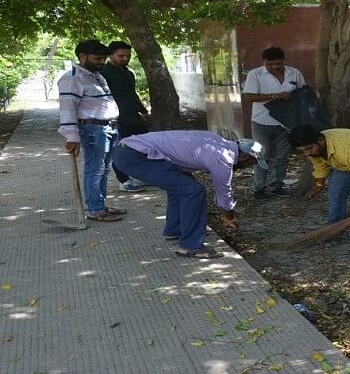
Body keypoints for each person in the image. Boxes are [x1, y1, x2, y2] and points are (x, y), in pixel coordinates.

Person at [112, 131, 268, 259]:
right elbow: (224, 194)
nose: (246, 168)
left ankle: (174, 230)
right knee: (193, 191)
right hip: (136, 156)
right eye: (250, 164)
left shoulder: (215, 140)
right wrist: (229, 218)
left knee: (181, 187)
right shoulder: (223, 158)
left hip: (129, 148)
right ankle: (190, 246)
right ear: (244, 157)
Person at [57, 39, 125, 222]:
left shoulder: (95, 74)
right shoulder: (72, 78)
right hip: (93, 129)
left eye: (103, 58)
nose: (102, 62)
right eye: (97, 58)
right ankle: (94, 209)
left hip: (108, 128)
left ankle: (99, 204)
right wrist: (72, 136)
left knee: (104, 169)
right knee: (95, 169)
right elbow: (67, 108)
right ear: (82, 56)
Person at [241, 46, 305, 199]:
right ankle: (259, 188)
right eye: (270, 64)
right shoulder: (255, 74)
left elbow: (303, 93)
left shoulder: (294, 73)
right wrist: (275, 96)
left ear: (283, 61)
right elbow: (249, 98)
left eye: (278, 64)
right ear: (264, 62)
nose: (275, 67)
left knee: (282, 156)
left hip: (286, 122)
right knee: (261, 155)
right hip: (261, 121)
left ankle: (278, 185)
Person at [101, 40, 150, 193]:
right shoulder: (103, 73)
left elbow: (132, 94)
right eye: (121, 55)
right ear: (111, 55)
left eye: (128, 56)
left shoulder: (128, 74)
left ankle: (143, 175)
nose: (125, 59)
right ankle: (124, 181)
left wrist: (143, 111)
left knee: (142, 147)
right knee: (118, 150)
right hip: (114, 119)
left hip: (133, 118)